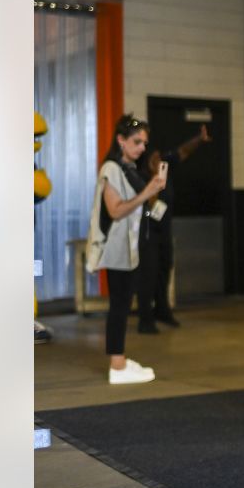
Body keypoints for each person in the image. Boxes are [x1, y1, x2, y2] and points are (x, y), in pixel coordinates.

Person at [89, 114, 167, 384]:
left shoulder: (129, 168)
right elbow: (116, 210)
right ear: (121, 140)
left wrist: (152, 190)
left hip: (131, 245)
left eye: (145, 143)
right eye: (136, 142)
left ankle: (119, 359)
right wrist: (148, 192)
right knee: (120, 304)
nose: (142, 148)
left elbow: (139, 206)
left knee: (123, 302)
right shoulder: (111, 168)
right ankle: (117, 365)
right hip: (117, 246)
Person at [135, 124, 213, 332]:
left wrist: (199, 139)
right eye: (154, 159)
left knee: (164, 269)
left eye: (160, 158)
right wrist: (154, 182)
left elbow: (183, 151)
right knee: (148, 274)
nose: (159, 162)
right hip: (147, 231)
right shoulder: (141, 177)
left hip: (164, 229)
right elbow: (150, 208)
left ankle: (163, 310)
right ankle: (145, 319)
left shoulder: (165, 166)